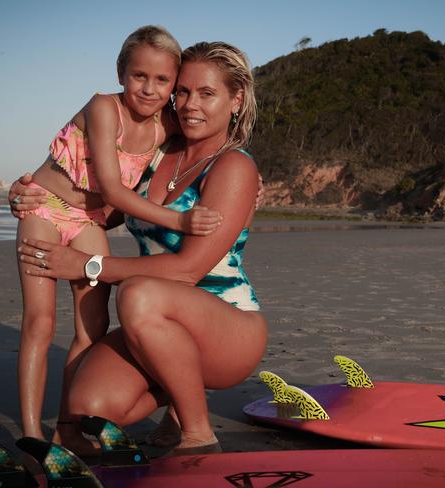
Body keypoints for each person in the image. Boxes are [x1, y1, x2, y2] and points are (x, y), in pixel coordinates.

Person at [16, 41, 268, 454]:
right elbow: (107, 212)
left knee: (137, 293)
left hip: (228, 328)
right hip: (155, 325)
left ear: (236, 99)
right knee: (88, 406)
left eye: (207, 94)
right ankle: (175, 395)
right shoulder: (159, 153)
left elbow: (188, 271)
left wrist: (87, 266)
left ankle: (198, 433)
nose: (190, 105)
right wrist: (34, 194)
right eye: (183, 91)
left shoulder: (233, 166)